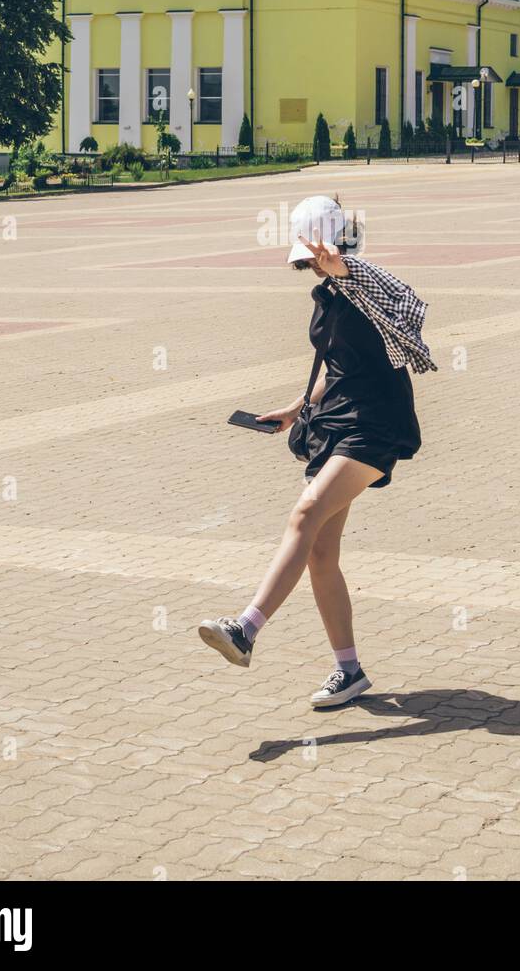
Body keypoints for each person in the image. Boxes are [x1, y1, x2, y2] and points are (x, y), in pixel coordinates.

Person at [199, 195, 437, 708]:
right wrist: (293, 408)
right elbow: (336, 369)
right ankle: (349, 671)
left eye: (314, 255)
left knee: (305, 512)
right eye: (306, 259)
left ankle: (244, 629)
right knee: (322, 553)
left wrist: (345, 267)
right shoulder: (329, 293)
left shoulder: (366, 283)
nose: (308, 264)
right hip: (338, 420)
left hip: (376, 424)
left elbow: (398, 302)